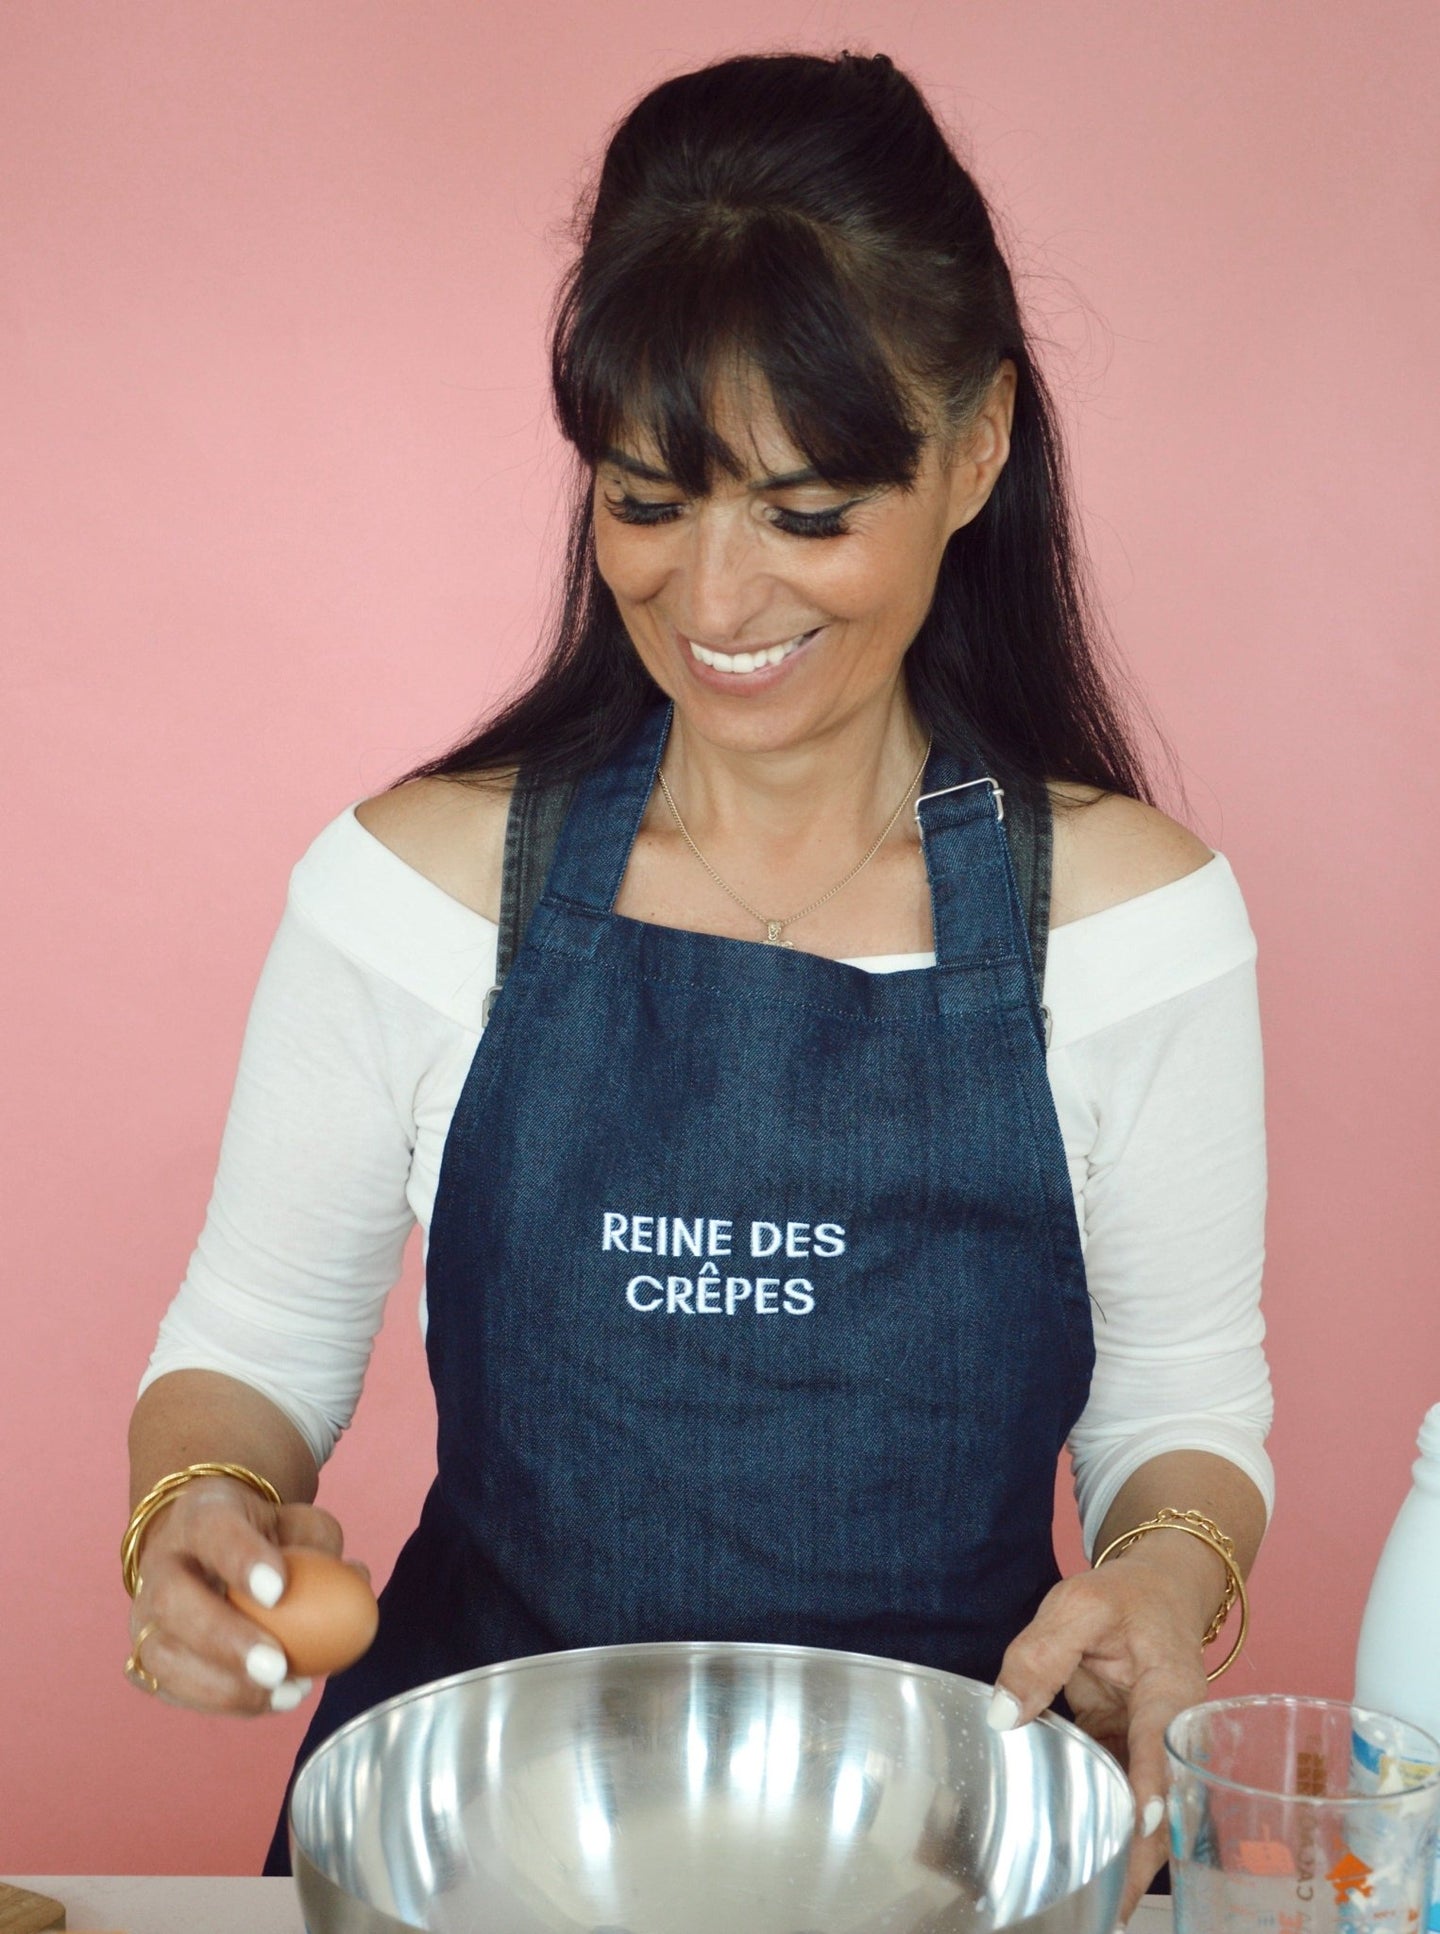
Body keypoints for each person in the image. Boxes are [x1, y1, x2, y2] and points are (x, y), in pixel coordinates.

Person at [122, 50, 1272, 1912]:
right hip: (481, 1835)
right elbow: (244, 1361)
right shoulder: (414, 888)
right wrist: (198, 1517)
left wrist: (1166, 1570)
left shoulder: (1134, 924)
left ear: (977, 446)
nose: (717, 602)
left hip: (943, 1844)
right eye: (651, 502)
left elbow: (1179, 1409)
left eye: (807, 512)